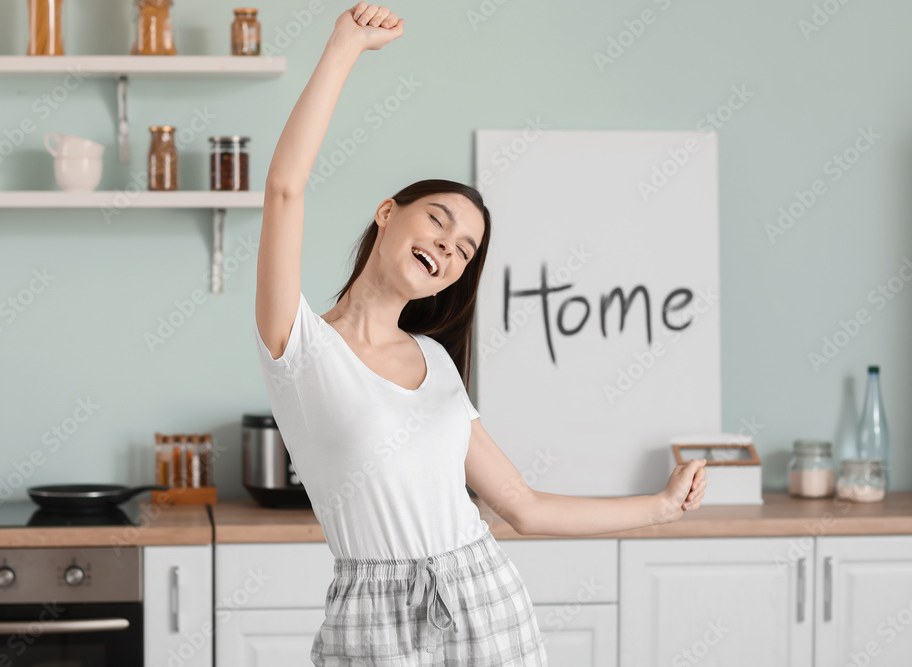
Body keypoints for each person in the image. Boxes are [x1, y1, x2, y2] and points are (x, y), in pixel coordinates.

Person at [254, 4, 708, 665]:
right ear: (387, 213)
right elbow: (284, 189)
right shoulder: (300, 346)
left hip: (485, 601)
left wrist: (662, 507)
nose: (447, 245)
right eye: (437, 220)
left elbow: (521, 505)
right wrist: (344, 46)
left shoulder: (436, 360)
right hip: (372, 622)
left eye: (465, 249)